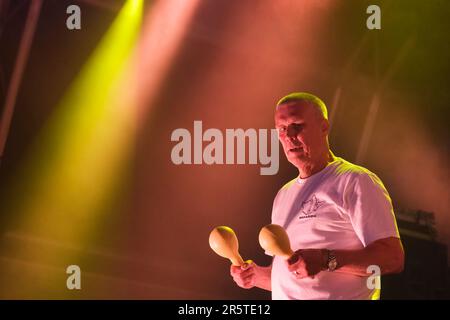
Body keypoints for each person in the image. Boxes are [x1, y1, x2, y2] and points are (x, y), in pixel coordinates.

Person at [230, 92, 404, 300]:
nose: (289, 135)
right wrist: (256, 277)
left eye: (298, 125)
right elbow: (296, 276)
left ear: (323, 127)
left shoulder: (355, 181)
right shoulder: (283, 195)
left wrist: (326, 259)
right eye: (282, 129)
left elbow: (392, 259)